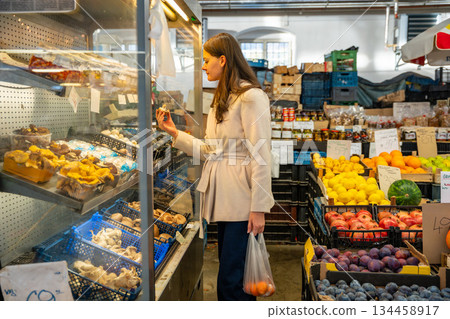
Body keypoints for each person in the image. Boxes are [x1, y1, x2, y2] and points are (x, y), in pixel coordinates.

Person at [156, 33, 274, 301]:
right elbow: (213, 150)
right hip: (225, 200)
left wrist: (258, 208)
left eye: (207, 60)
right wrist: (175, 134)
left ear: (223, 60)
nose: (203, 66)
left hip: (243, 201)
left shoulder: (251, 97)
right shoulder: (223, 97)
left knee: (233, 280)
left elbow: (261, 154)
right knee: (230, 273)